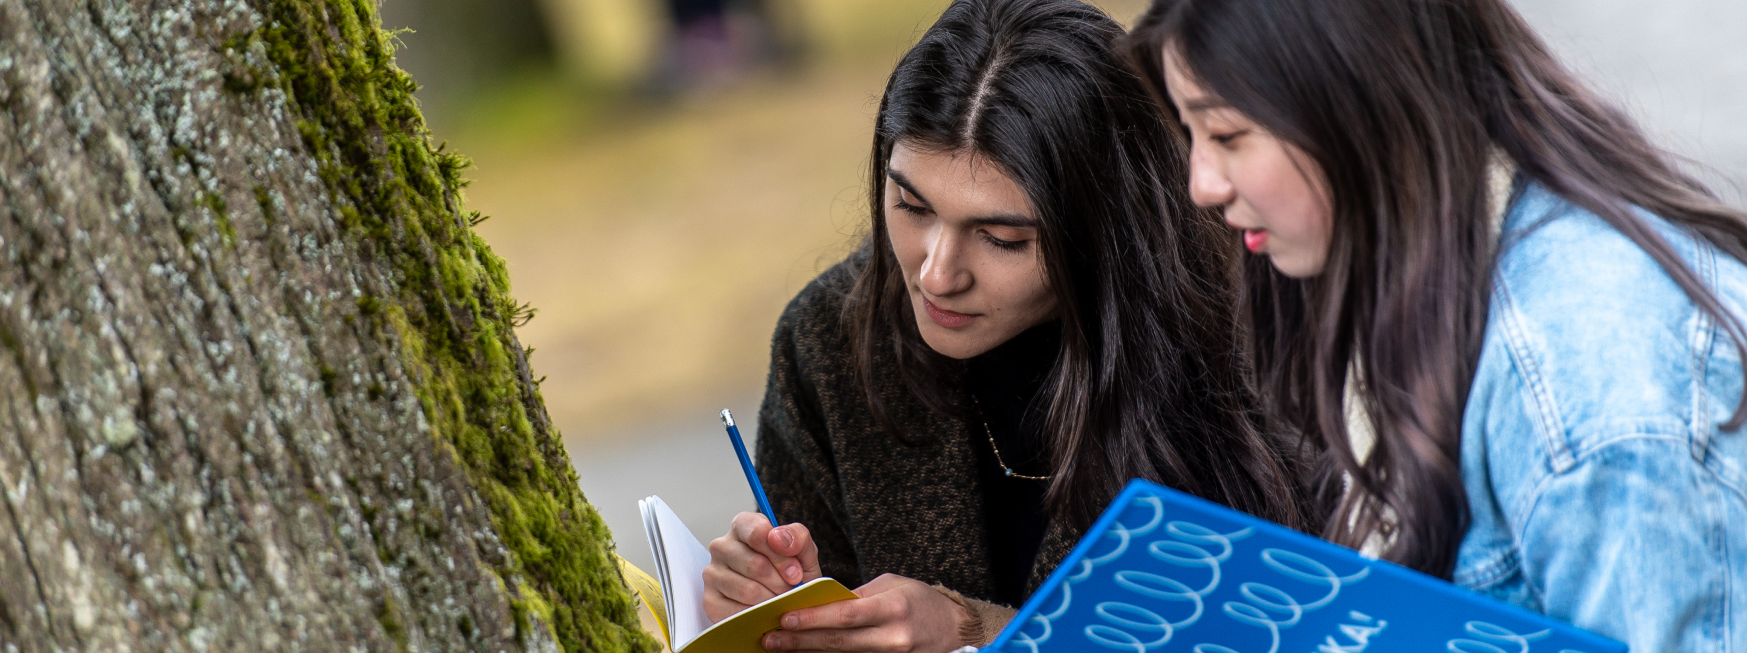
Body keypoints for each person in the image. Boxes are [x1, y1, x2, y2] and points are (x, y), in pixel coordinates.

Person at [1125, 0, 1747, 650]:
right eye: (1188, 133)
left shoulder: (1584, 379)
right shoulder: (1419, 270)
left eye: (1225, 135)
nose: (1200, 184)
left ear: (1359, 100)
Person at [701, 0, 1317, 651]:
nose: (937, 274)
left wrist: (978, 630)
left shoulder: (1248, 340)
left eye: (999, 238)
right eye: (911, 204)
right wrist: (770, 607)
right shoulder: (826, 341)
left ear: (1104, 231)